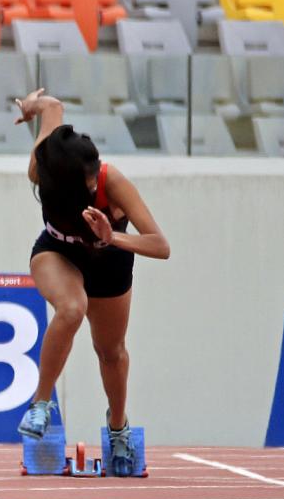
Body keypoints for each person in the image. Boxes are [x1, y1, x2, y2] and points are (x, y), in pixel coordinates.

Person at [13, 89, 170, 475]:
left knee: (110, 350)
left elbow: (160, 245)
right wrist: (31, 106)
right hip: (58, 251)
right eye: (86, 175)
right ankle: (40, 404)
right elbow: (49, 111)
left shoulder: (109, 180)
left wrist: (111, 236)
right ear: (62, 181)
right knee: (71, 308)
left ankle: (118, 428)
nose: (94, 175)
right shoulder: (42, 169)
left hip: (109, 258)